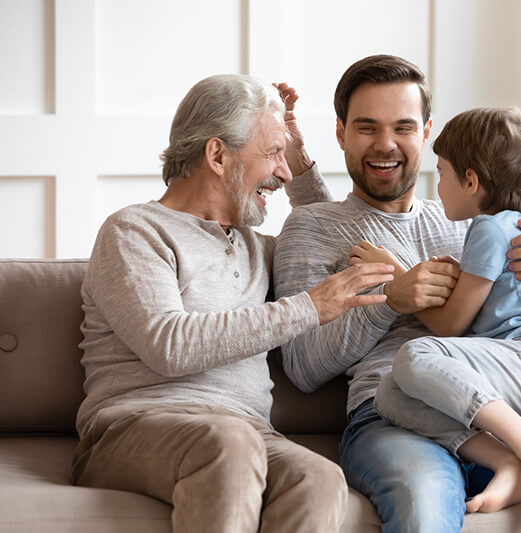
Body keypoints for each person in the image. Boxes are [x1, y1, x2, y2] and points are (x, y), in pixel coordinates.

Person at [274, 55, 521, 532]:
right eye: (367, 127)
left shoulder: (469, 216)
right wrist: (389, 302)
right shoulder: (311, 228)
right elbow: (303, 369)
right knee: (425, 497)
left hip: (504, 407)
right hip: (394, 413)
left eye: (403, 127)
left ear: (427, 132)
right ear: (341, 133)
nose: (385, 144)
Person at [71, 74, 395, 533]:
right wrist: (309, 307)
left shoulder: (256, 247)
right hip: (134, 427)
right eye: (272, 154)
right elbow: (170, 346)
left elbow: (331, 243)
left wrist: (299, 160)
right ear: (218, 155)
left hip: (247, 431)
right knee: (230, 442)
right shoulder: (135, 230)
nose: (281, 173)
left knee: (319, 476)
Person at [351, 107, 521, 522]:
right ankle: (509, 461)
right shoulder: (516, 229)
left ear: (472, 181)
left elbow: (450, 326)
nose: (437, 184)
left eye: (441, 173)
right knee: (391, 394)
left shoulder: (490, 228)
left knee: (415, 355)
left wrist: (400, 277)